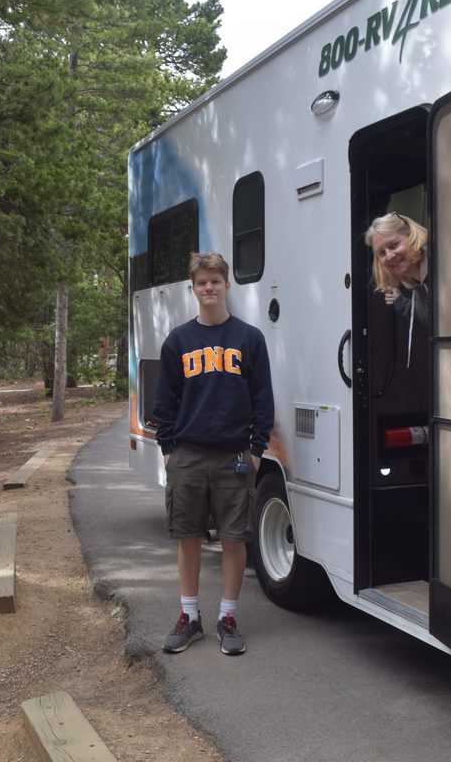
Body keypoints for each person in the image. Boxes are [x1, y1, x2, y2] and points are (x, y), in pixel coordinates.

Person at [153, 252, 274, 657]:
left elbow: (263, 400)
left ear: (226, 286)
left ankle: (227, 617)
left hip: (235, 457)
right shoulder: (179, 341)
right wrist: (169, 450)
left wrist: (256, 451)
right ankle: (189, 617)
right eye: (201, 283)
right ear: (193, 288)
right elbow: (164, 402)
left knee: (233, 539)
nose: (208, 288)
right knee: (187, 537)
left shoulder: (249, 339)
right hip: (187, 455)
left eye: (215, 282)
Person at [365, 211, 429, 368]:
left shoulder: (439, 267)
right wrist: (401, 302)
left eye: (393, 245)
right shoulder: (417, 283)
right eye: (381, 253)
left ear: (411, 236)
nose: (389, 256)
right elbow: (429, 317)